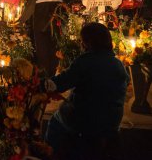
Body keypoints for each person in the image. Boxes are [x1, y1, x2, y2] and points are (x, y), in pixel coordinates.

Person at [44, 23, 129, 159]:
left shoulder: (86, 61)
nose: (81, 45)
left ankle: (50, 154)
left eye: (82, 41)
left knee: (55, 120)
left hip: (86, 122)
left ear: (88, 43)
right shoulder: (118, 64)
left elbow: (60, 83)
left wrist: (41, 83)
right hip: (112, 122)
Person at [19, 0, 63, 77]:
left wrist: (20, 21)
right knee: (54, 49)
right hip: (56, 27)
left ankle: (44, 75)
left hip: (40, 27)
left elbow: (28, 11)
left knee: (42, 51)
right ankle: (53, 73)